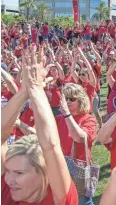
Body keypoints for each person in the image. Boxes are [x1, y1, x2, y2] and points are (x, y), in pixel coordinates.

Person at [2, 44, 78, 204]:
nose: (8, 180)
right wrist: (25, 91)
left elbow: (51, 146)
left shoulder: (58, 198)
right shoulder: (8, 190)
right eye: (7, 171)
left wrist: (35, 87)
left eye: (19, 173)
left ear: (45, 173)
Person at [56, 83, 97, 205]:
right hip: (61, 166)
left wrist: (67, 115)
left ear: (81, 100)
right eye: (65, 98)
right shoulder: (59, 119)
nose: (68, 101)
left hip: (79, 169)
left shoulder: (89, 119)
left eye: (72, 99)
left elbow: (79, 138)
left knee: (82, 201)